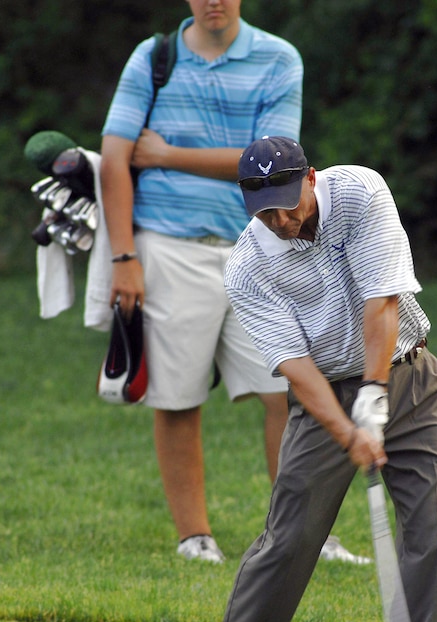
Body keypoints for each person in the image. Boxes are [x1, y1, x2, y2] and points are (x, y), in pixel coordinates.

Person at [188, 136, 437, 622]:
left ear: (310, 177)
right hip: (322, 398)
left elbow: (381, 303)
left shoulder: (361, 192)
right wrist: (347, 429)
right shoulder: (247, 266)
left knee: (430, 538)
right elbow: (293, 365)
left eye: (289, 202)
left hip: (407, 375)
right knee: (290, 540)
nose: (282, 220)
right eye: (265, 211)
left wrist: (375, 397)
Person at [99, 1, 367, 566]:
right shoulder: (154, 58)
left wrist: (167, 154)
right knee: (177, 396)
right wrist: (124, 256)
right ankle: (194, 538)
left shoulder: (277, 58)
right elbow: (115, 160)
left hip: (262, 245)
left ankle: (306, 535)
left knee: (287, 393)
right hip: (168, 244)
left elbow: (270, 167)